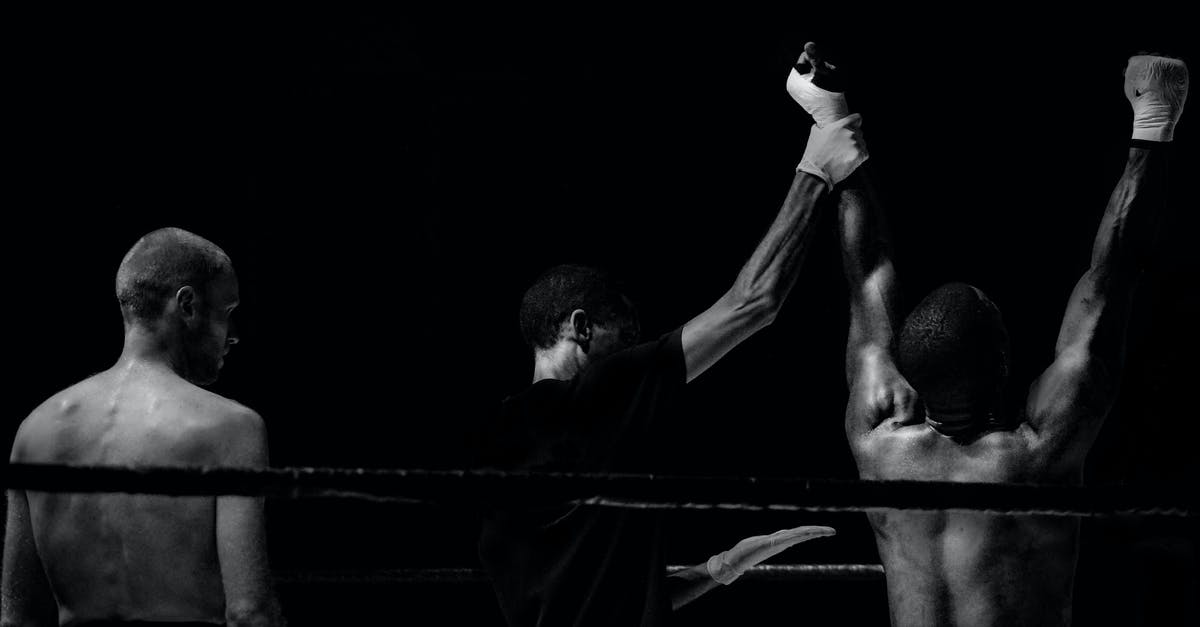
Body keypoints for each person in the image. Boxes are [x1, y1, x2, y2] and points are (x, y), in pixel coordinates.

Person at [475, 48, 870, 626]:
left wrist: (717, 568)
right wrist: (819, 160)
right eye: (627, 337)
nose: (637, 352)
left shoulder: (497, 447)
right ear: (581, 328)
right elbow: (752, 304)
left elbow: (590, 597)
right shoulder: (597, 395)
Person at [823, 43, 1188, 626]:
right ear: (1004, 361)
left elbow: (866, 272)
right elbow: (1112, 277)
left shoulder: (878, 443)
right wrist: (1153, 122)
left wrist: (831, 116)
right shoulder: (1036, 459)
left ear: (908, 376)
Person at [3, 228, 285, 627]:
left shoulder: (34, 430)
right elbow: (249, 612)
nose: (234, 335)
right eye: (227, 311)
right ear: (187, 305)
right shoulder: (231, 428)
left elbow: (18, 619)